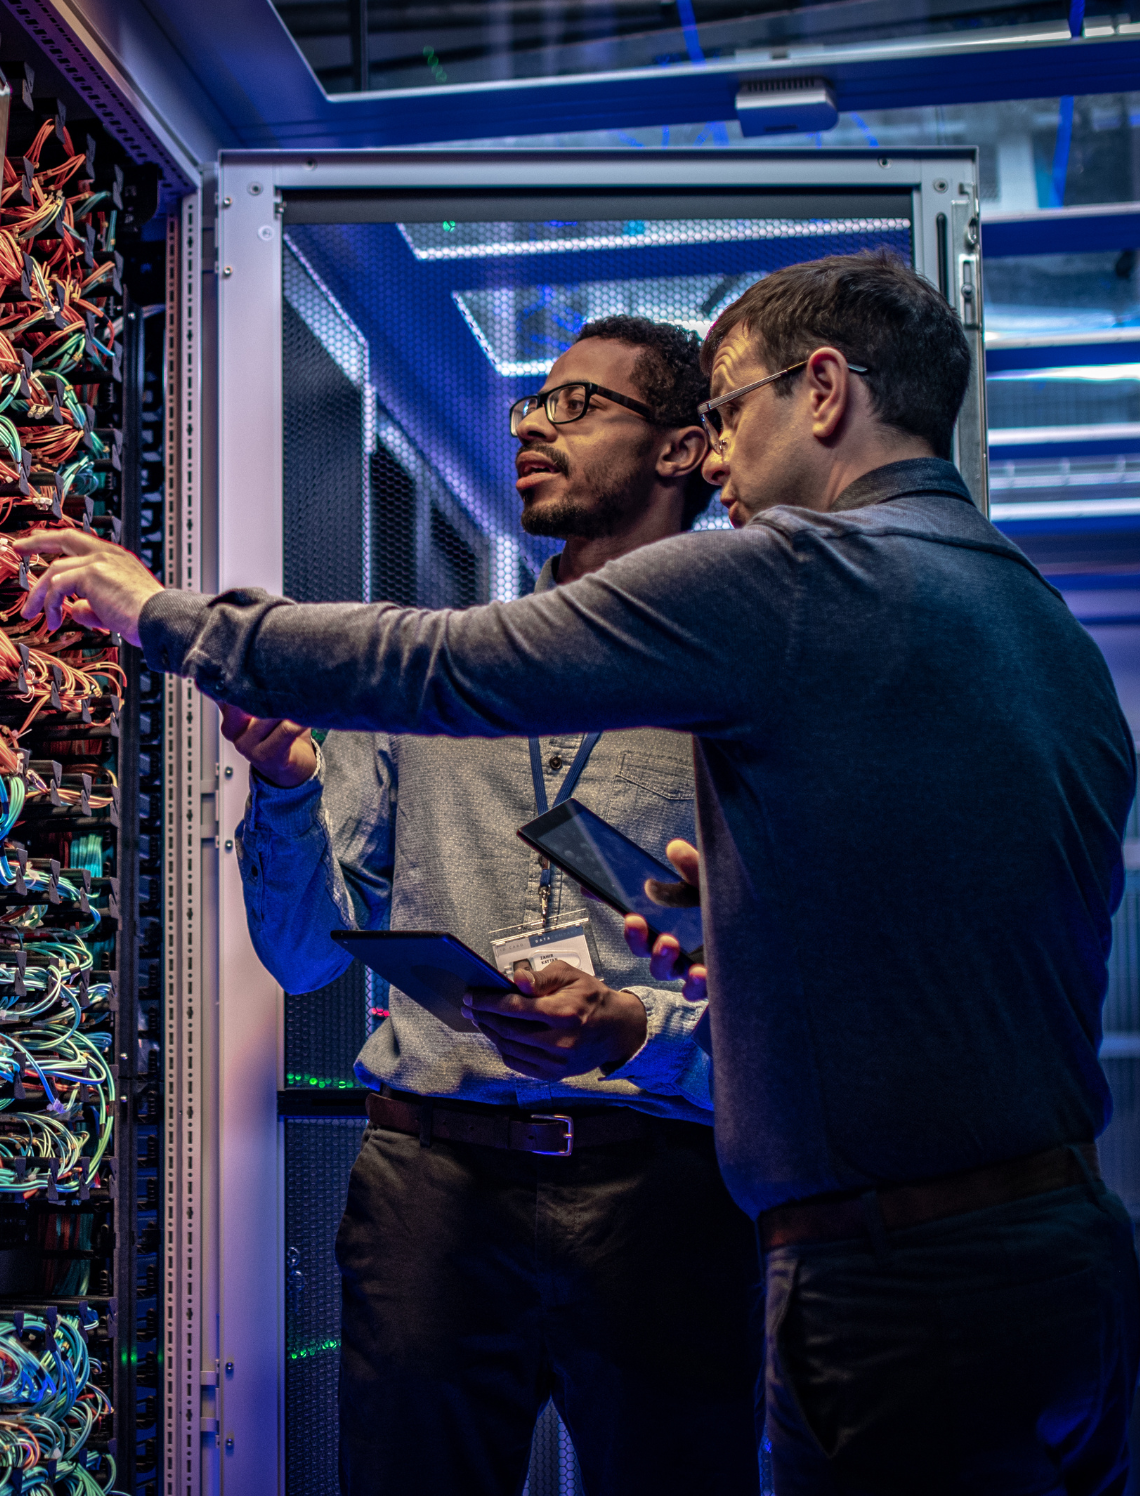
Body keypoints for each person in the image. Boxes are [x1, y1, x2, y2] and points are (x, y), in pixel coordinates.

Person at [16, 250, 1140, 1495]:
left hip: (873, 1262)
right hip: (1047, 1248)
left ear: (824, 392)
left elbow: (451, 670)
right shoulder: (1034, 620)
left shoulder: (803, 580)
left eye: (727, 414)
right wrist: (743, 933)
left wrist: (166, 615)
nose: (720, 460)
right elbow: (967, 922)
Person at [229, 316, 756, 1496]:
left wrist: (631, 1021)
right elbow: (306, 954)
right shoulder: (434, 669)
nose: (529, 424)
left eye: (576, 405)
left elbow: (796, 976)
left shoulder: (734, 679)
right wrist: (285, 785)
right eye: (530, 404)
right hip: (433, 1183)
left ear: (680, 451)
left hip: (665, 1184)